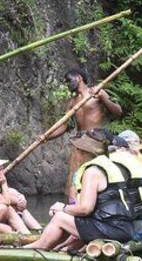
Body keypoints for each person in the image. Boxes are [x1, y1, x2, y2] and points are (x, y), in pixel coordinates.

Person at [24, 150, 135, 251]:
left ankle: (40, 246)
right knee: (68, 218)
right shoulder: (112, 167)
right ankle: (56, 247)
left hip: (111, 229)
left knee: (59, 217)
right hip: (125, 228)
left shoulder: (93, 171)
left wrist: (62, 208)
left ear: (84, 152)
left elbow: (85, 209)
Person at [46, 69, 123, 201]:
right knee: (76, 178)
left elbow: (118, 111)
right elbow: (65, 126)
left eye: (69, 80)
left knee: (94, 174)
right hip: (79, 142)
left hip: (95, 140)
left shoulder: (97, 93)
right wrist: (46, 137)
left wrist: (104, 98)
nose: (68, 84)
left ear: (79, 78)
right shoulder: (72, 102)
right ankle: (74, 203)